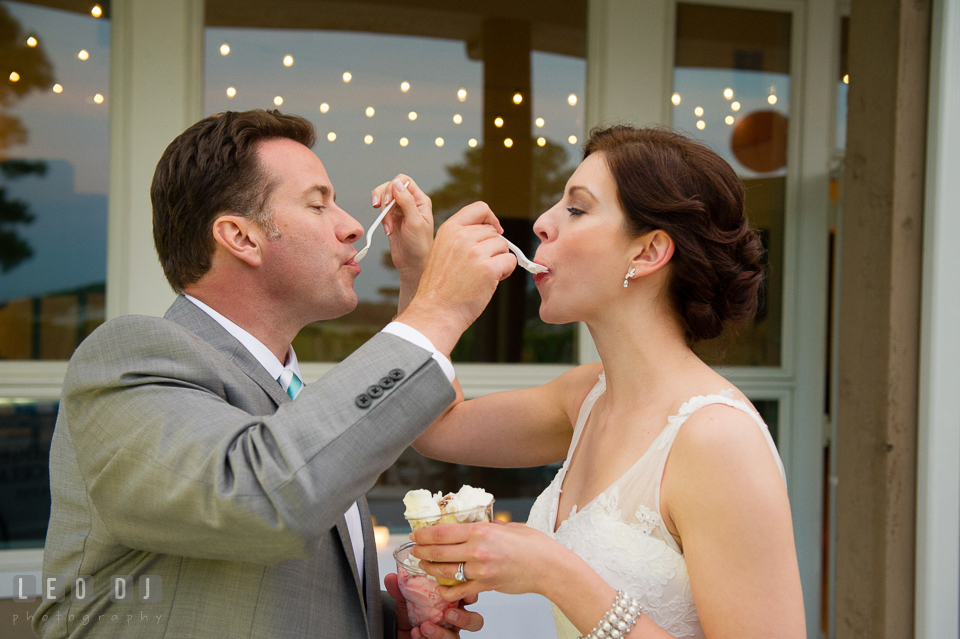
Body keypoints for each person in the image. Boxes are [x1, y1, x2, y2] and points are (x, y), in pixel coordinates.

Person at [34, 109, 514, 639]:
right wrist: (438, 311)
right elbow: (260, 500)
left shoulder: (294, 402)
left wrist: (383, 620)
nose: (353, 225)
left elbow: (259, 594)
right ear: (241, 237)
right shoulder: (130, 356)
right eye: (318, 203)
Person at [404, 126, 806, 638]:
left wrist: (552, 571)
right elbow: (435, 425)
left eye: (576, 208)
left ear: (647, 253)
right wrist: (424, 280)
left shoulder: (718, 440)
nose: (543, 224)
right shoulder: (586, 397)